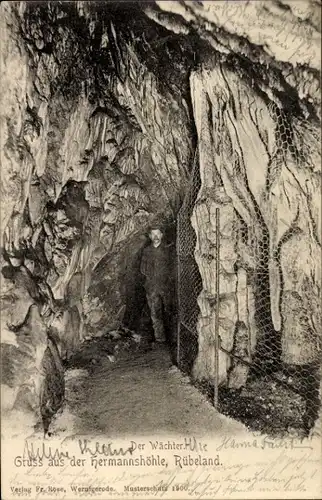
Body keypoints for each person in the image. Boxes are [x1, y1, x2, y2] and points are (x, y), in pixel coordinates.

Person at [140, 227, 173, 344]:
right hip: (152, 287)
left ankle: (173, 338)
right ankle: (160, 338)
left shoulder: (168, 250)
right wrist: (149, 279)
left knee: (169, 311)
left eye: (158, 234)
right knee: (155, 313)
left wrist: (168, 280)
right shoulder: (146, 251)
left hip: (166, 286)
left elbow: (172, 267)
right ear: (149, 236)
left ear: (162, 235)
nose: (155, 237)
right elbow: (142, 269)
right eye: (153, 234)